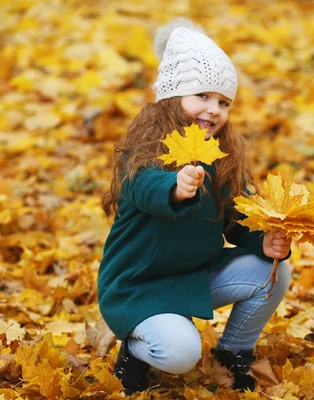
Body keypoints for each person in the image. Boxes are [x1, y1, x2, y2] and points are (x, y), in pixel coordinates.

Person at [98, 17, 292, 395]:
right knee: (180, 353)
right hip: (139, 287)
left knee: (274, 271)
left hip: (193, 275)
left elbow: (236, 216)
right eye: (201, 96)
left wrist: (262, 240)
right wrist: (176, 187)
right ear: (173, 96)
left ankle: (233, 352)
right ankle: (137, 352)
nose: (214, 109)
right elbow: (144, 187)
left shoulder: (221, 156)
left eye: (223, 102)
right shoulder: (143, 152)